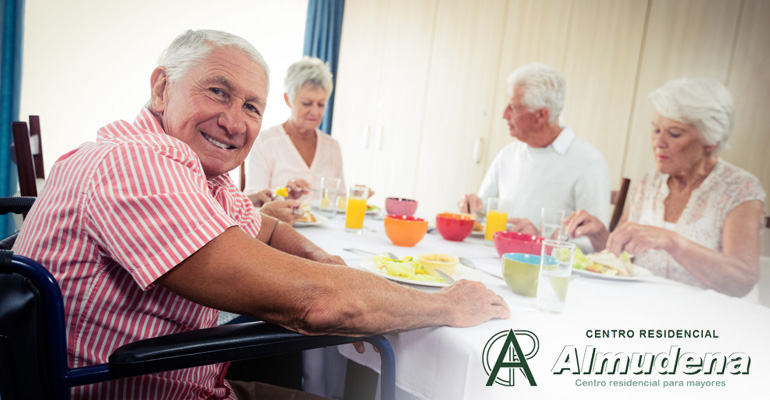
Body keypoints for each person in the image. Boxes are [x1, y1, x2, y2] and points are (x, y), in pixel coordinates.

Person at [12, 30, 509, 399]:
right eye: (218, 92)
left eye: (252, 106)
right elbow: (319, 306)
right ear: (161, 88)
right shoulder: (137, 163)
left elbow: (265, 226)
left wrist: (324, 262)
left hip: (184, 377)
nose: (233, 121)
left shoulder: (197, 173)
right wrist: (446, 305)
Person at [563, 77, 766, 299]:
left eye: (674, 133)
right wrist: (601, 234)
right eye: (656, 130)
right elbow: (622, 259)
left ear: (711, 141)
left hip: (713, 318)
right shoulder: (648, 184)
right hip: (652, 308)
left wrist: (673, 242)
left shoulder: (739, 189)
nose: (658, 141)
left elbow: (742, 280)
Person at [458, 63, 610, 252]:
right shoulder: (508, 154)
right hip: (495, 259)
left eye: (513, 107)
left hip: (547, 274)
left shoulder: (588, 162)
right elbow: (483, 218)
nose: (504, 114)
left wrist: (539, 239)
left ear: (540, 116)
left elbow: (598, 246)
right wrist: (473, 206)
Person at [243, 56, 347, 224]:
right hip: (281, 231)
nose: (315, 112)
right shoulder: (265, 142)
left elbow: (341, 201)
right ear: (288, 100)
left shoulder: (332, 147)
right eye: (306, 103)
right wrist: (282, 192)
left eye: (321, 104)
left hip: (327, 231)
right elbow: (251, 204)